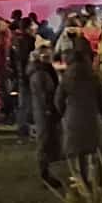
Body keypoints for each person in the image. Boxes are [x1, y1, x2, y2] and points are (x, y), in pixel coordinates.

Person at [56, 44, 102, 186]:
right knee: (95, 149)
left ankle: (82, 180)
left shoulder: (66, 78)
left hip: (73, 117)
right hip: (92, 116)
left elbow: (58, 99)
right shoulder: (93, 77)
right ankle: (98, 179)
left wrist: (63, 113)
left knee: (78, 151)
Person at [27, 44, 64, 188]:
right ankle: (45, 174)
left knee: (50, 142)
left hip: (46, 111)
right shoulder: (40, 73)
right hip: (44, 112)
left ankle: (49, 173)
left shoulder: (45, 71)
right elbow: (44, 94)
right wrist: (49, 108)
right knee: (45, 142)